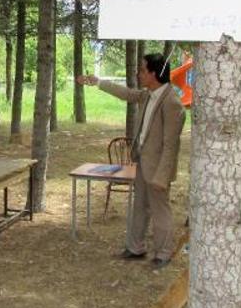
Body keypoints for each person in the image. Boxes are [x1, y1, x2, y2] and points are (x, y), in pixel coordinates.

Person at [77, 54, 185, 268]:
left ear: (154, 74)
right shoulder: (148, 94)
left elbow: (171, 145)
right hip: (143, 162)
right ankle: (136, 248)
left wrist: (161, 177)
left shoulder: (171, 102)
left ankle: (163, 253)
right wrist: (98, 81)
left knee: (159, 210)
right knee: (139, 207)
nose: (139, 73)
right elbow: (126, 94)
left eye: (142, 70)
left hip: (158, 169)